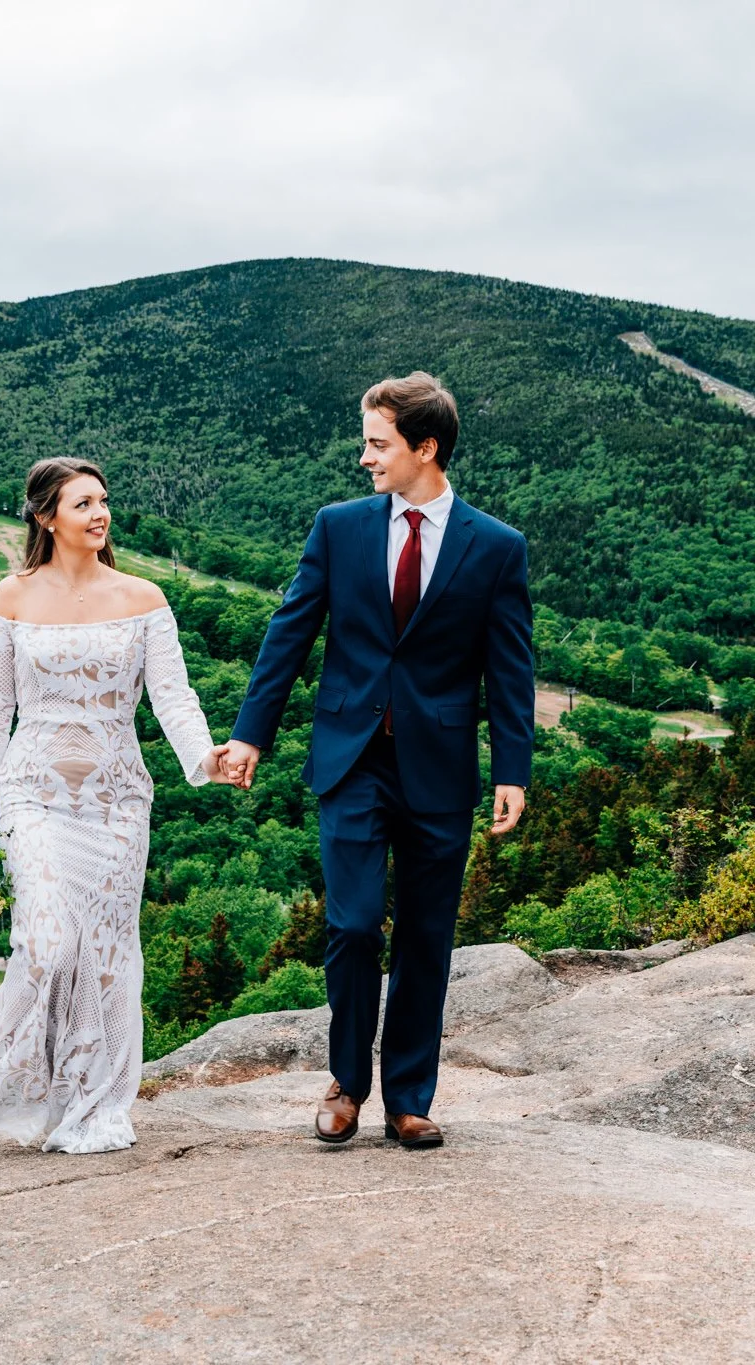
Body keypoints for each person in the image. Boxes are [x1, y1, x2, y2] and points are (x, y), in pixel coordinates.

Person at [218, 372, 534, 1149]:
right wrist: (252, 732)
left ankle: (409, 1097)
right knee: (355, 923)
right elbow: (289, 631)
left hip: (441, 764)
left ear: (425, 448)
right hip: (350, 758)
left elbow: (511, 667)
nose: (365, 457)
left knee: (427, 935)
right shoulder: (339, 527)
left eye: (377, 442)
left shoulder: (496, 547)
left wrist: (512, 770)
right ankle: (346, 1081)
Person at [0, 457, 233, 1154]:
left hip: (116, 798)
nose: (100, 513)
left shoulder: (143, 597)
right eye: (83, 503)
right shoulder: (11, 596)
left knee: (106, 952)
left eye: (103, 500)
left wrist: (205, 757)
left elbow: (173, 696)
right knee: (47, 938)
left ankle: (96, 1100)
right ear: (47, 516)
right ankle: (21, 1080)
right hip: (32, 791)